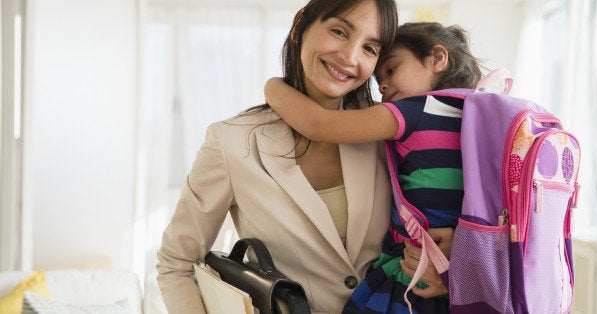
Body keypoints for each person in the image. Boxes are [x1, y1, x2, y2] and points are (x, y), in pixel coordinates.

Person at [156, 1, 399, 313]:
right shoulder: (233, 142)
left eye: (369, 48)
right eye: (339, 31)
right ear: (300, 24)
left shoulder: (386, 137)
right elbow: (176, 263)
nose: (350, 58)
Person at [264, 22, 483, 313]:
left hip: (411, 277)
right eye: (378, 78)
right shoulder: (479, 110)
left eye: (391, 70)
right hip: (467, 276)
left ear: (437, 59)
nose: (381, 86)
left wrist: (272, 87)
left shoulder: (414, 111)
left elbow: (319, 125)